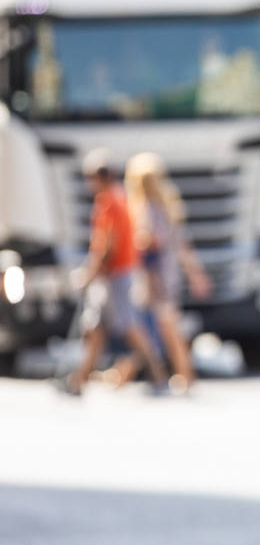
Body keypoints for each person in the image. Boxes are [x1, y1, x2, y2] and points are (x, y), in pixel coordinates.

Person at [66, 149, 169, 395]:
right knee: (95, 328)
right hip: (113, 274)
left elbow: (107, 245)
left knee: (130, 327)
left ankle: (158, 373)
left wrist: (89, 273)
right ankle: (78, 380)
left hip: (115, 275)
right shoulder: (118, 198)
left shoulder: (109, 203)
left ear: (99, 178)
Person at [119, 152, 212, 393]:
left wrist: (133, 246)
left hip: (154, 276)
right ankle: (164, 372)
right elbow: (183, 246)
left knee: (160, 326)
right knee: (157, 327)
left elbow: (150, 240)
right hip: (166, 274)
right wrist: (196, 273)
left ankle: (181, 374)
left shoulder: (146, 207)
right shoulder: (168, 206)